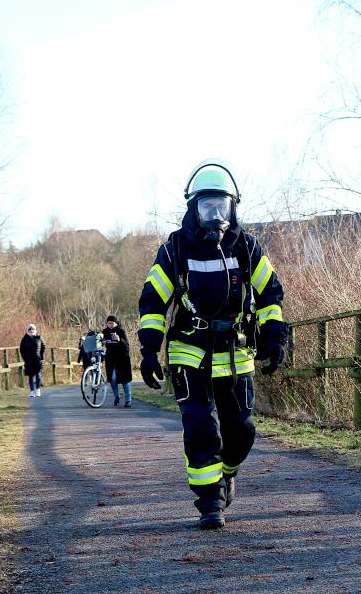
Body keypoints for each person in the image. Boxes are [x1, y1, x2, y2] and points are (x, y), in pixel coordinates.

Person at [137, 159, 287, 530]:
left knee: (243, 429)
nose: (215, 215)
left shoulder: (247, 247)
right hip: (189, 351)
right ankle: (210, 503)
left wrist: (274, 336)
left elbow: (270, 294)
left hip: (235, 352)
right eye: (207, 206)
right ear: (194, 208)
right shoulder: (174, 250)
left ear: (233, 207)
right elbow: (153, 302)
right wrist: (148, 350)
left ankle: (227, 472)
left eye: (222, 206)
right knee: (201, 427)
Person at [102, 315, 133, 407]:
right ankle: (117, 396)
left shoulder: (120, 331)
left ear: (116, 323)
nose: (110, 325)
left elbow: (127, 345)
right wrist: (102, 343)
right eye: (108, 323)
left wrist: (119, 340)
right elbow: (101, 343)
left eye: (112, 323)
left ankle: (128, 400)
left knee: (125, 380)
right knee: (112, 379)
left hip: (122, 359)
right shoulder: (104, 332)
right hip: (110, 360)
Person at [18, 323, 46, 398]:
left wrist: (42, 357)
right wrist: (25, 358)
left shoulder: (39, 337)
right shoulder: (25, 339)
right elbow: (21, 349)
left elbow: (44, 347)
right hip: (29, 360)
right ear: (27, 330)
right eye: (30, 329)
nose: (31, 330)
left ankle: (38, 390)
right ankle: (32, 391)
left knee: (38, 375)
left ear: (35, 330)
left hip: (38, 359)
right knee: (30, 376)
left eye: (33, 329)